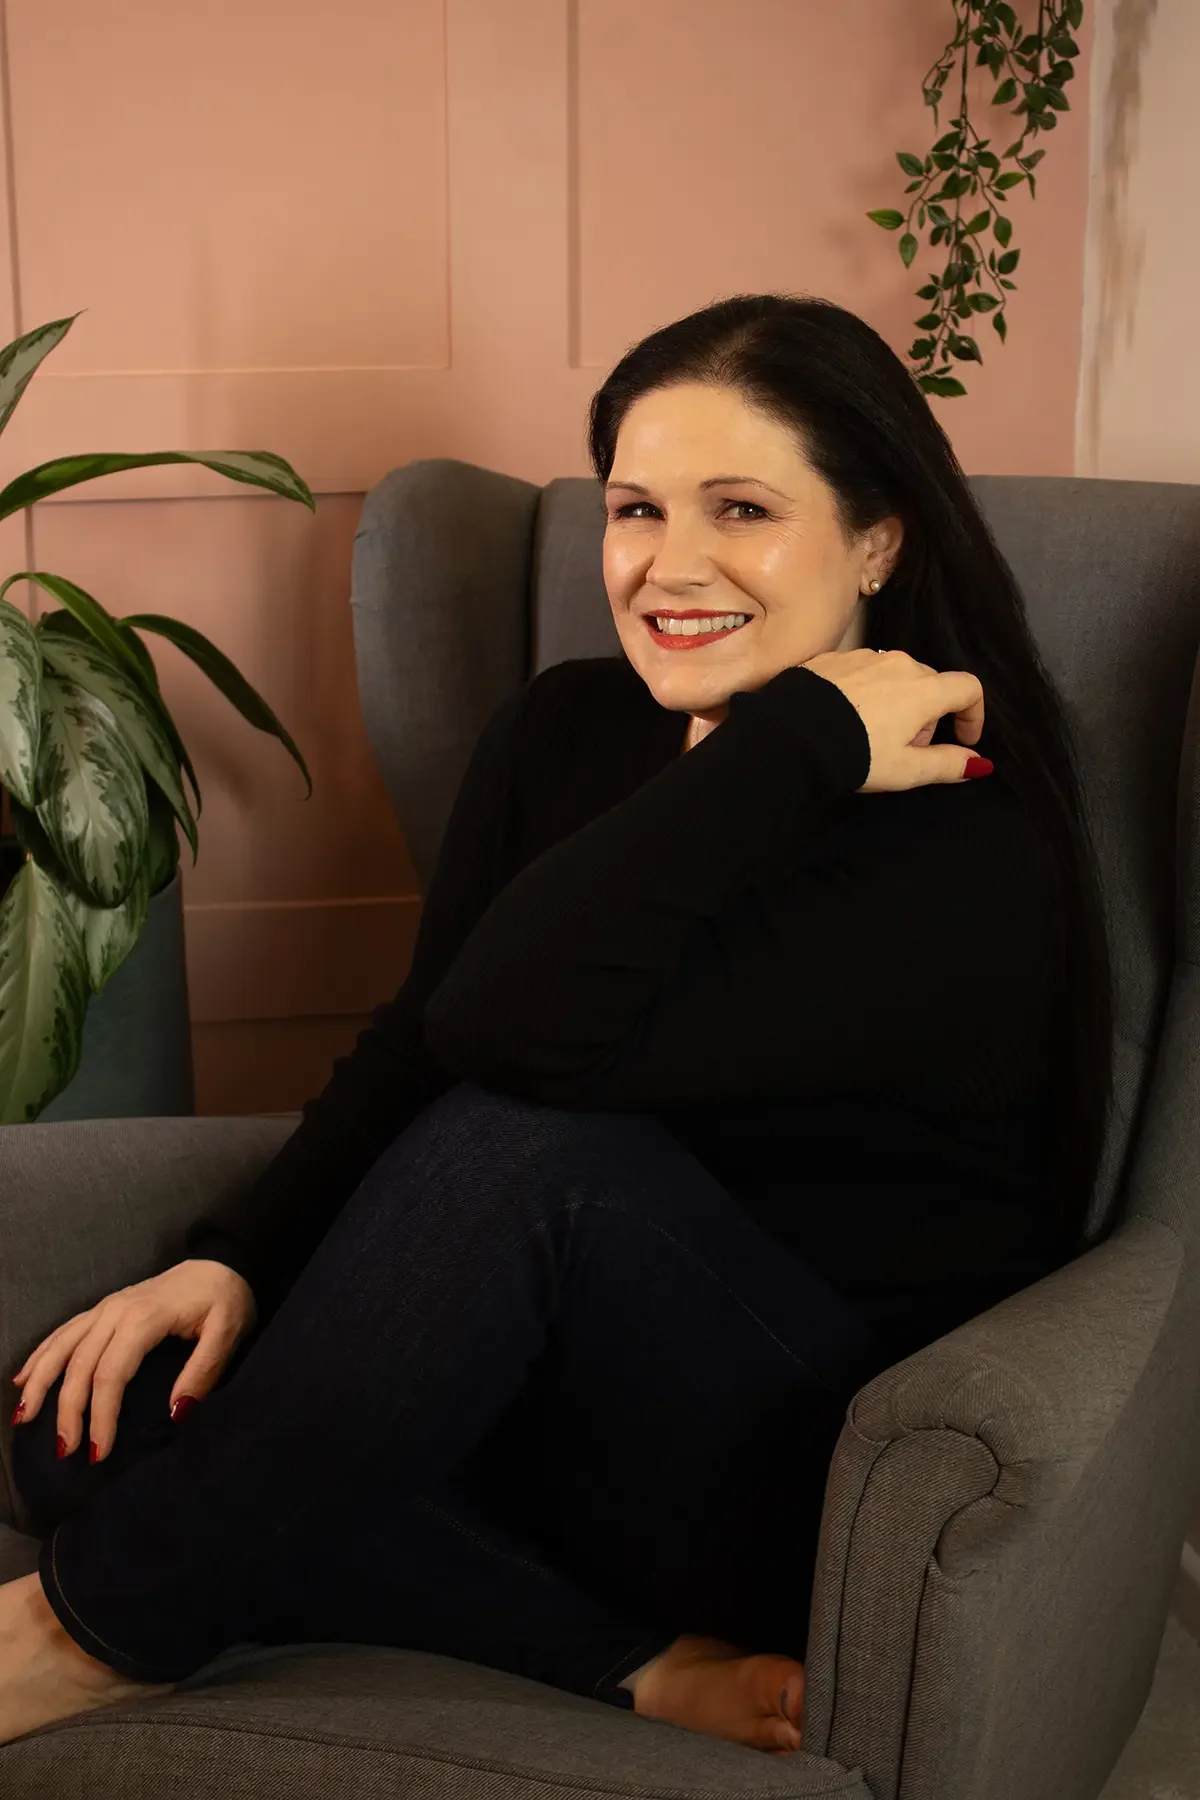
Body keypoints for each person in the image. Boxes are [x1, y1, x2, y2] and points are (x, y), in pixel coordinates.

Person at [1, 293, 1113, 1756]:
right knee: (91, 1411)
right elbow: (423, 1034)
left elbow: (520, 1045)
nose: (671, 564)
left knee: (532, 1154)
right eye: (636, 508)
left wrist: (798, 740)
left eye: (744, 510)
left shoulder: (967, 851)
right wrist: (237, 1258)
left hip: (774, 1455)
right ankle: (620, 1660)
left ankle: (91, 1634)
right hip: (520, 1389)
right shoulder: (565, 733)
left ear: (880, 541)